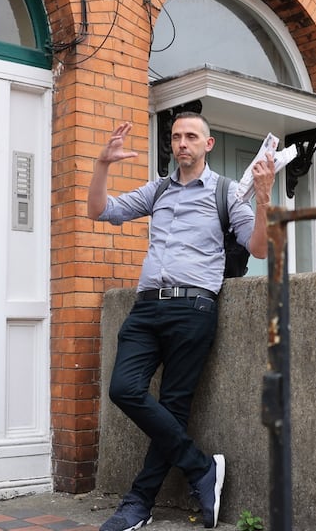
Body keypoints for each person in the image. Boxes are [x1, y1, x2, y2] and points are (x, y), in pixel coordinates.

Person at [88, 113, 276, 530]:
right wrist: (102, 164)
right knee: (123, 388)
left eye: (191, 136)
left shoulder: (227, 193)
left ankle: (138, 504)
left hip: (193, 309)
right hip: (146, 307)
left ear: (208, 145)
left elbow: (260, 248)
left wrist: (263, 198)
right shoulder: (158, 190)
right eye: (176, 137)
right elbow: (100, 210)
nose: (182, 143)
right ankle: (200, 467)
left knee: (173, 406)